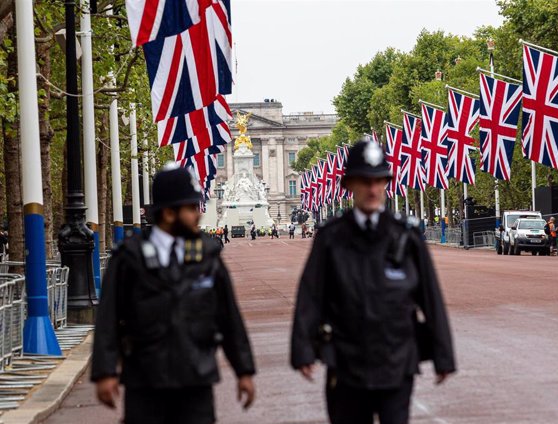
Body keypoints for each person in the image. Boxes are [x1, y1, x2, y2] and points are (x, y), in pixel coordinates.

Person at [290, 140, 455, 424]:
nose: (373, 189)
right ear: (350, 185)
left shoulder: (405, 235)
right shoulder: (331, 237)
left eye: (379, 180)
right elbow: (311, 295)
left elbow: (430, 297)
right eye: (365, 181)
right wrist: (303, 349)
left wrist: (444, 355)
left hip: (396, 358)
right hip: (346, 362)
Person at [92, 164, 256, 424]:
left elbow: (228, 317)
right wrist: (104, 371)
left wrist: (244, 371)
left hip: (196, 377)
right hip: (145, 380)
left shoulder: (207, 255)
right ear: (169, 213)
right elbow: (108, 316)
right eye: (191, 208)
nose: (198, 215)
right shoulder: (129, 257)